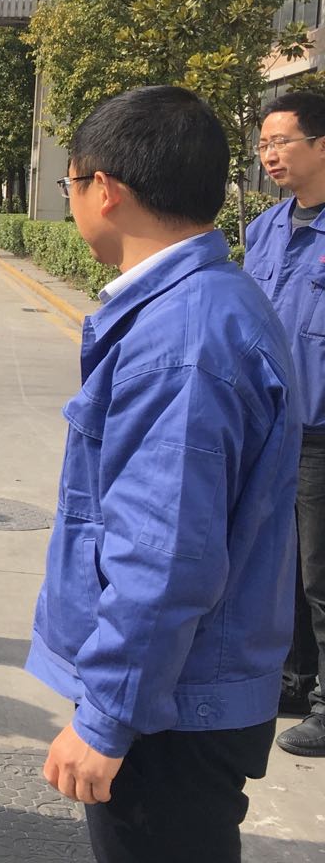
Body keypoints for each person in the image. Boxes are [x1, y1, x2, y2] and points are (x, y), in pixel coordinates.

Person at [27, 86, 298, 863]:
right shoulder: (203, 305)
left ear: (105, 190)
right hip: (179, 687)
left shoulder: (184, 339)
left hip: (170, 707)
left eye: (69, 185)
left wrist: (107, 717)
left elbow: (165, 553)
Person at [246, 90, 325, 758]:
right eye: (264, 144)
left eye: (282, 142)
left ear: (322, 146)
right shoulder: (266, 228)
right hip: (271, 430)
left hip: (322, 435)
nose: (269, 154)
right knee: (282, 566)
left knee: (320, 575)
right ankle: (293, 682)